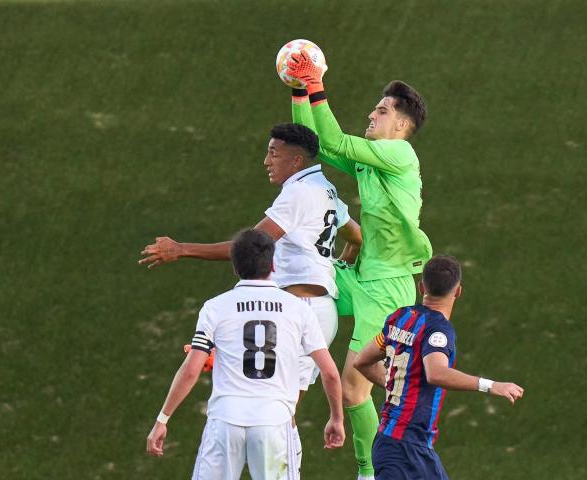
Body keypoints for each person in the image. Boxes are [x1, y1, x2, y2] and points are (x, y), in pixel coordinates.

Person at [139, 122, 361, 470]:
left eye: (274, 153)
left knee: (279, 411)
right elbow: (357, 238)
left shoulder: (297, 193)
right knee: (278, 406)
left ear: (296, 160)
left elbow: (251, 245)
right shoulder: (326, 189)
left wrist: (181, 249)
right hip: (318, 308)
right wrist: (336, 269)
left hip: (299, 307)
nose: (266, 161)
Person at [287, 52, 433, 479]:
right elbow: (318, 144)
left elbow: (337, 141)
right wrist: (299, 92)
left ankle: (371, 473)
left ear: (401, 125)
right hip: (361, 276)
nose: (372, 114)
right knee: (299, 280)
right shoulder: (373, 162)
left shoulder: (401, 154)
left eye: (381, 111)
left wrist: (316, 84)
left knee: (353, 390)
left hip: (387, 286)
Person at [146, 229, 345, 480]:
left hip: (225, 420)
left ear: (235, 267)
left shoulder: (215, 307)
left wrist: (162, 419)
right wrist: (336, 418)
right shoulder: (299, 310)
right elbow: (330, 373)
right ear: (273, 265)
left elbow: (190, 370)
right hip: (273, 422)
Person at [353, 255, 524, 479]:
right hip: (406, 447)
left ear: (421, 287)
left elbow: (361, 361)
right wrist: (490, 385)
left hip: (397, 444)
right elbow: (436, 373)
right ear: (458, 291)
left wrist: (397, 385)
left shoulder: (399, 318)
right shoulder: (438, 329)